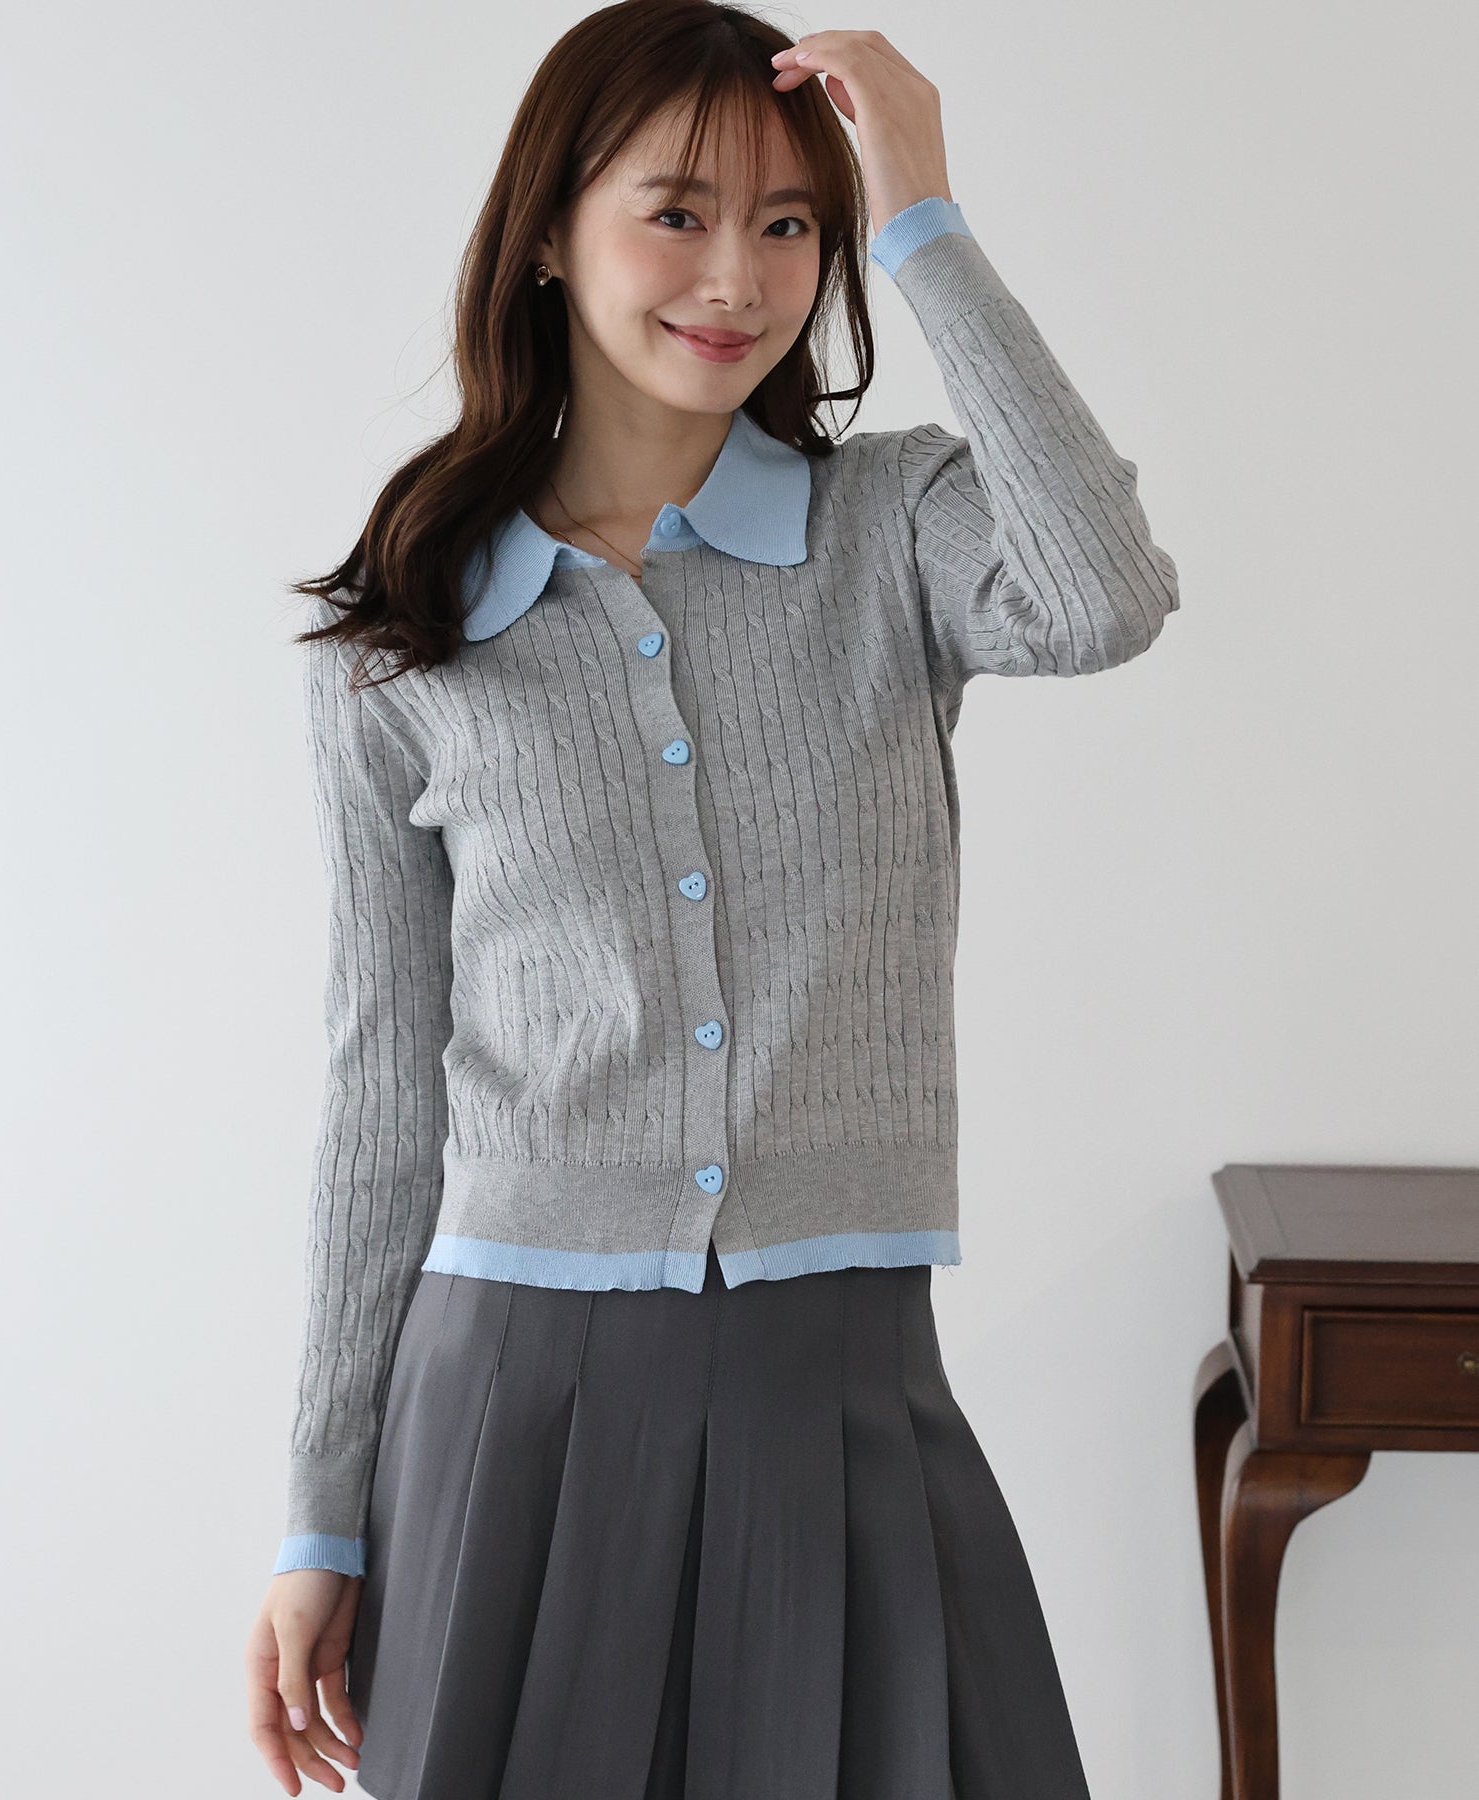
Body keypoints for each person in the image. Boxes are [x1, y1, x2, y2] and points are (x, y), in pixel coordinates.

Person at [245, 3, 1180, 1795]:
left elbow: (1104, 595)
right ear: (548, 231)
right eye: (676, 212)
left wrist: (922, 214)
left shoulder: (895, 527)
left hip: (836, 1386)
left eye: (790, 223)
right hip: (505, 1403)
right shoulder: (401, 642)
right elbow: (378, 1095)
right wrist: (320, 1516)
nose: (738, 278)